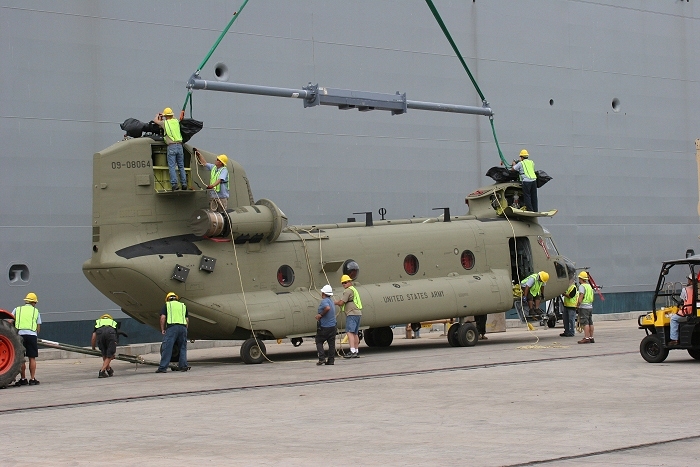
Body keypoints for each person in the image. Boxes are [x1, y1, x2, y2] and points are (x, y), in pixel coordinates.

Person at [11, 292, 41, 386]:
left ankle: (23, 379)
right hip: (31, 335)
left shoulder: (17, 309)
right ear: (34, 302)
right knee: (32, 358)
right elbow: (38, 327)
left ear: (26, 301)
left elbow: (11, 320)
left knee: (21, 358)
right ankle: (32, 379)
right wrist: (35, 334)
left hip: (20, 335)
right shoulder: (36, 311)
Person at [155, 107, 187, 191]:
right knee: (181, 166)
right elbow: (173, 118)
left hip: (171, 146)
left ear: (165, 116)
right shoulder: (176, 121)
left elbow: (155, 121)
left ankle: (174, 185)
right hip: (180, 145)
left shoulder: (164, 123)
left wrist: (158, 116)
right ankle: (184, 184)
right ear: (172, 115)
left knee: (172, 166)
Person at [156, 292, 190, 373]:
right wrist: (185, 329)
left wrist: (162, 329)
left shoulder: (167, 305)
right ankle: (183, 366)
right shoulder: (183, 305)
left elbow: (163, 317)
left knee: (167, 347)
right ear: (176, 298)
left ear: (167, 299)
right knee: (182, 347)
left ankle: (163, 368)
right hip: (183, 327)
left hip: (172, 328)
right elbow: (187, 319)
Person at [335, 274, 363, 358]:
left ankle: (352, 351)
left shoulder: (348, 291)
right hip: (357, 313)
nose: (344, 284)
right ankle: (356, 351)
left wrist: (335, 302)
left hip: (352, 313)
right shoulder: (354, 289)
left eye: (345, 282)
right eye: (343, 283)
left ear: (350, 282)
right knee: (355, 333)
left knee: (349, 332)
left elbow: (341, 302)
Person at [315, 285, 337, 365]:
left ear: (323, 293)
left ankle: (322, 358)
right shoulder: (331, 301)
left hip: (325, 326)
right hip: (333, 326)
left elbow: (327, 308)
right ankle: (331, 360)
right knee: (331, 344)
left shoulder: (324, 301)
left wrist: (320, 315)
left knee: (318, 341)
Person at [91, 313, 118, 378]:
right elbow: (115, 339)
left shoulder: (98, 322)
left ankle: (108, 370)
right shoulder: (113, 322)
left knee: (104, 353)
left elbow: (94, 337)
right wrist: (112, 351)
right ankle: (102, 371)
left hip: (100, 333)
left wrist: (93, 347)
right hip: (110, 333)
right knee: (110, 354)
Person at [670, 274, 694, 346]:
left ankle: (674, 339)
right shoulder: (697, 289)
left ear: (690, 280)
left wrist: (680, 304)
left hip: (688, 311)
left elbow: (683, 299)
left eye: (688, 279)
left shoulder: (685, 289)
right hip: (694, 310)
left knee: (673, 319)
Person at [577, 271, 595, 344]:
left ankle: (586, 338)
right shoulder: (589, 286)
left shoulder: (582, 286)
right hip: (590, 306)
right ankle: (591, 337)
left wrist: (578, 304)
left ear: (581, 278)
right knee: (590, 322)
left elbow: (581, 295)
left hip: (584, 307)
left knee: (585, 323)